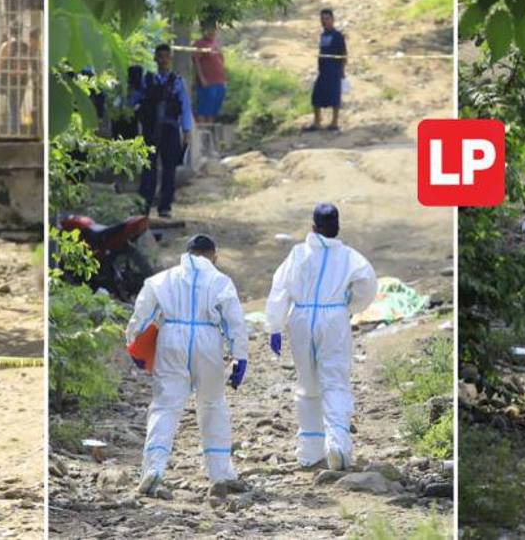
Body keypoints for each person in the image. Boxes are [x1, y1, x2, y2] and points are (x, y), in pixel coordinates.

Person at [125, 234, 248, 498]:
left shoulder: (161, 280)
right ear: (213, 255)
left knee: (165, 406)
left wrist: (133, 343)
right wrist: (239, 356)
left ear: (187, 252)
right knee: (213, 405)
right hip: (208, 342)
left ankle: (153, 469)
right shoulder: (220, 281)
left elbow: (141, 315)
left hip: (171, 339)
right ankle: (220, 474)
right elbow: (234, 322)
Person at [265, 203, 377, 470]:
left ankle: (310, 450)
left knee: (307, 385)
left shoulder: (297, 254)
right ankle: (337, 443)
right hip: (333, 318)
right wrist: (350, 304)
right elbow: (368, 284)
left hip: (301, 319)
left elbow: (280, 288)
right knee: (335, 380)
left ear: (313, 227)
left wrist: (275, 326)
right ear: (337, 228)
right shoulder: (350, 257)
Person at [133, 44, 194, 218]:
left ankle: (165, 207)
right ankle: (144, 205)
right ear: (155, 59)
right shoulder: (148, 80)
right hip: (150, 130)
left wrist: (187, 131)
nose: (163, 60)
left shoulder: (177, 82)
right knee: (148, 169)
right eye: (160, 56)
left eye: (166, 56)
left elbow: (185, 107)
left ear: (170, 58)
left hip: (170, 129)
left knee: (169, 169)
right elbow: (135, 101)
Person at [306, 8, 346, 132]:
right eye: (322, 19)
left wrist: (342, 70)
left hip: (334, 70)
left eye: (327, 19)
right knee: (316, 96)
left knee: (334, 97)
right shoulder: (323, 35)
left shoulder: (337, 36)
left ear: (332, 20)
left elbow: (343, 54)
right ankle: (317, 122)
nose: (324, 21)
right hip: (323, 71)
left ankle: (334, 123)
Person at [191, 18, 227, 124]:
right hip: (207, 82)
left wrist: (224, 79)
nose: (212, 32)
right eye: (209, 29)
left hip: (219, 81)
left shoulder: (216, 43)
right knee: (204, 107)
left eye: (214, 29)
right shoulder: (199, 44)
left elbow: (221, 61)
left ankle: (210, 129)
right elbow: (196, 62)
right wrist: (201, 78)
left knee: (214, 108)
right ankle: (202, 129)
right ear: (204, 30)